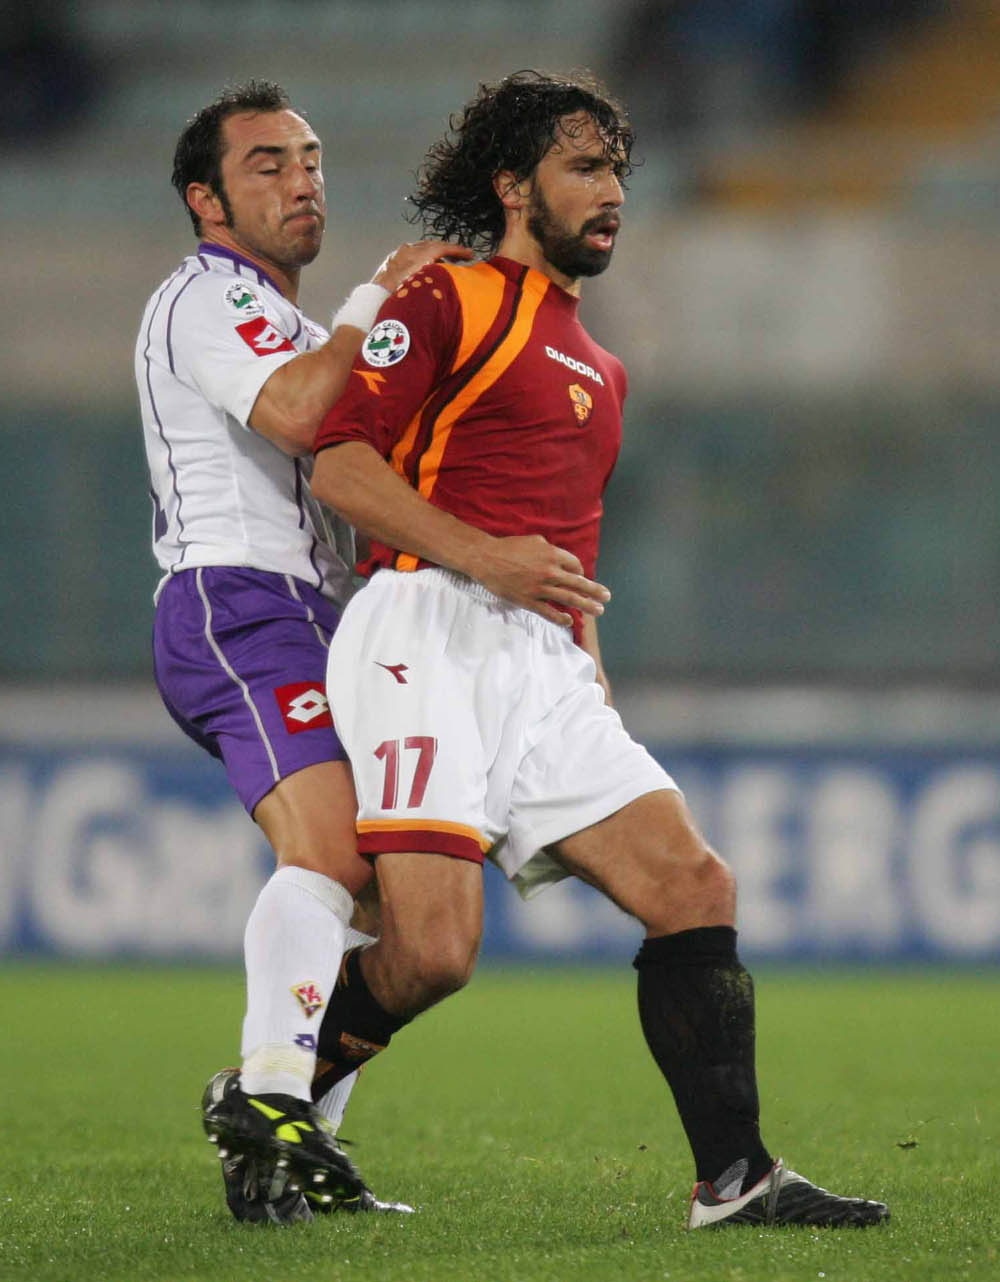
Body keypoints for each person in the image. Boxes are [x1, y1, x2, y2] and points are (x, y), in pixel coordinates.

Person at [306, 70, 890, 1229]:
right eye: (585, 167)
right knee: (429, 953)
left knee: (692, 884)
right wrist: (488, 560)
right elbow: (341, 469)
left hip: (543, 659)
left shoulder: (601, 366)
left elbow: (560, 548)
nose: (613, 189)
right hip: (424, 626)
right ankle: (274, 1092)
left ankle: (737, 1178)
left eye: (618, 167)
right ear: (514, 186)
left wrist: (581, 655)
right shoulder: (449, 298)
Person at [136, 79, 469, 1224]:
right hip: (235, 601)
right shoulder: (203, 297)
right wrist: (384, 296)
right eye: (268, 162)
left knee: (387, 893)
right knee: (330, 851)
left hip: (318, 612)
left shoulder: (277, 310)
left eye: (313, 158)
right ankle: (272, 1097)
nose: (302, 178)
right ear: (206, 199)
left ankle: (297, 1151)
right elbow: (295, 412)